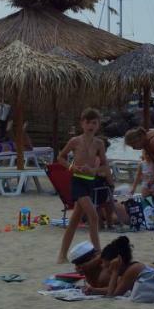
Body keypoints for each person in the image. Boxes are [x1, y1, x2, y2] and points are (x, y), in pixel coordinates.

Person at [55, 108, 113, 263]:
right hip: (77, 181)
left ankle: (62, 254)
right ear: (82, 123)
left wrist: (93, 169)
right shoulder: (75, 141)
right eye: (88, 122)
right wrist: (71, 167)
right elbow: (60, 157)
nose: (91, 126)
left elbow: (105, 166)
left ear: (98, 125)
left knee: (74, 222)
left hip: (90, 182)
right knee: (93, 216)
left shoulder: (99, 143)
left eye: (94, 122)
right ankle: (98, 254)